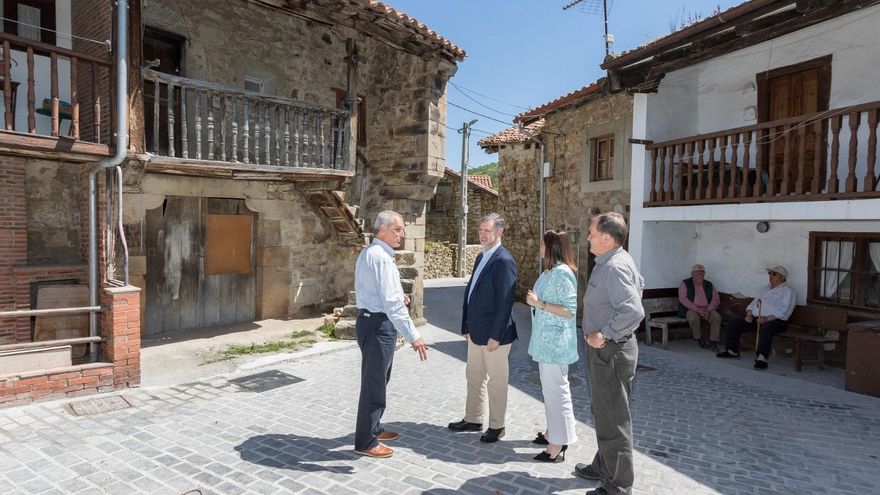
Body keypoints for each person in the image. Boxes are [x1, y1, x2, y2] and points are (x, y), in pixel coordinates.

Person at [574, 212, 645, 495]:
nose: (588, 236)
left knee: (613, 418)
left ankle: (618, 486)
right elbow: (640, 284)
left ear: (606, 237)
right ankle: (603, 466)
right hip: (607, 351)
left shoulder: (614, 266)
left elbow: (633, 310)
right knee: (604, 412)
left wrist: (605, 333)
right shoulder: (613, 260)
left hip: (611, 351)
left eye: (591, 232)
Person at [353, 211, 428, 458]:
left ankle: (373, 428)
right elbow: (392, 304)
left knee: (378, 380)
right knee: (374, 385)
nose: (403, 234)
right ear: (382, 230)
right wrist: (413, 335)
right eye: (398, 229)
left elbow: (376, 293)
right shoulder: (382, 258)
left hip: (370, 321)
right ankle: (366, 441)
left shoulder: (370, 253)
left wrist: (398, 297)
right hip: (377, 325)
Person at [447, 213, 518, 443]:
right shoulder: (481, 257)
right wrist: (466, 325)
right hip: (476, 332)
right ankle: (473, 418)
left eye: (487, 230)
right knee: (474, 376)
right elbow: (471, 293)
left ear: (500, 232)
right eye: (480, 230)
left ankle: (498, 426)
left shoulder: (504, 260)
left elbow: (505, 302)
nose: (482, 234)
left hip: (494, 336)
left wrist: (495, 335)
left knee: (497, 381)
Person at [525, 229, 579, 463]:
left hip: (555, 344)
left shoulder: (563, 273)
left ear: (551, 247)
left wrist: (540, 303)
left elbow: (569, 310)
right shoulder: (551, 271)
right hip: (546, 342)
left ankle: (558, 444)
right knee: (552, 391)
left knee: (556, 392)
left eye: (542, 244)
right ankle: (554, 432)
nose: (539, 247)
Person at [716, 265, 796, 370]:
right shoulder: (764, 289)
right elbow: (753, 303)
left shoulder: (788, 292)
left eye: (774, 274)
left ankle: (761, 358)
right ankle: (732, 351)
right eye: (770, 273)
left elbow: (784, 311)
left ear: (782, 277)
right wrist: (749, 313)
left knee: (766, 328)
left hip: (776, 321)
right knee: (735, 323)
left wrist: (766, 318)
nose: (770, 276)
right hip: (757, 318)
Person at [678, 263, 722, 352]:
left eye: (702, 273)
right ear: (692, 274)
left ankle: (713, 342)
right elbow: (683, 299)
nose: (700, 275)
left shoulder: (709, 284)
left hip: (707, 308)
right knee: (693, 317)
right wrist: (697, 309)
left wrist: (709, 310)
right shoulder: (685, 283)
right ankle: (699, 338)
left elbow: (716, 299)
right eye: (697, 273)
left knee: (717, 317)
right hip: (691, 309)